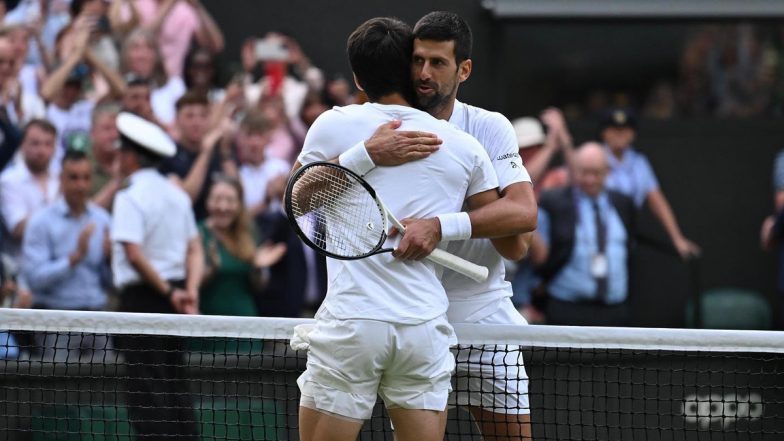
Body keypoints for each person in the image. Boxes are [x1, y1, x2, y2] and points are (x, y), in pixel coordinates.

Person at [291, 17, 504, 441]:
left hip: (353, 327)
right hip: (423, 331)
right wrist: (368, 153)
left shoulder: (332, 125)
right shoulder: (464, 145)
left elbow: (295, 200)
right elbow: (509, 224)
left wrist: (436, 225)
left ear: (356, 77)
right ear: (410, 68)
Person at [356, 11, 537, 439]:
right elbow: (306, 186)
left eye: (438, 63)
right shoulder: (380, 125)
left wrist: (440, 226)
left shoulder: (488, 127)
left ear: (464, 69)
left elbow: (522, 221)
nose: (423, 73)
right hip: (411, 320)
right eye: (417, 60)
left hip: (482, 317)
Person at [110, 111, 202, 439]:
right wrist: (187, 291)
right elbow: (195, 249)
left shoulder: (127, 194)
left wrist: (168, 292)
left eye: (120, 152)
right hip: (175, 298)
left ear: (131, 156)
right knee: (174, 383)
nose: (117, 158)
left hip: (145, 300)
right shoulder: (176, 194)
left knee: (147, 392)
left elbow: (133, 253)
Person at [531, 143, 637, 326]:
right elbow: (540, 256)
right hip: (566, 308)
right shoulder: (554, 201)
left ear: (607, 171)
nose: (589, 179)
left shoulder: (623, 203)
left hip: (615, 310)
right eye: (584, 172)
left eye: (596, 173)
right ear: (574, 171)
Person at [22, 149, 112, 360]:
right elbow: (34, 279)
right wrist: (73, 258)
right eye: (73, 178)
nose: (80, 185)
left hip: (98, 318)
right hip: (57, 319)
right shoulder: (41, 222)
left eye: (86, 178)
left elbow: (110, 282)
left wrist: (110, 261)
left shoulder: (103, 220)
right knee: (56, 390)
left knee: (105, 388)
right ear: (61, 179)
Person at [197, 176, 285, 352]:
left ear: (238, 205)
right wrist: (211, 269)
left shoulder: (248, 234)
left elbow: (258, 286)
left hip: (245, 323)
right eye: (217, 199)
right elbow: (192, 286)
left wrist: (258, 268)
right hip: (208, 326)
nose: (223, 207)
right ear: (208, 202)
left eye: (230, 200)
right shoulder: (198, 234)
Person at [599, 107, 699, 259]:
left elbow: (657, 201)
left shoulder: (639, 163)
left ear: (633, 134)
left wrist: (676, 238)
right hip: (598, 234)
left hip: (627, 236)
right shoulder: (592, 157)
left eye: (625, 129)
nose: (619, 134)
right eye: (614, 129)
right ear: (604, 132)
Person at [159, 91, 236, 220]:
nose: (197, 122)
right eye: (190, 116)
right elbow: (185, 200)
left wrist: (225, 151)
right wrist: (205, 153)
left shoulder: (218, 152)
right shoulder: (167, 155)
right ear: (177, 120)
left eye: (203, 116)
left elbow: (237, 194)